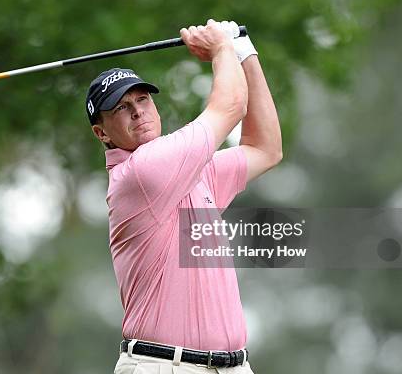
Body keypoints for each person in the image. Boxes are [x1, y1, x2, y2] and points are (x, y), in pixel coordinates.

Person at [85, 19, 282, 373]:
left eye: (142, 99)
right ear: (102, 134)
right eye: (120, 108)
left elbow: (265, 148)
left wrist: (245, 53)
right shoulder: (142, 172)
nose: (137, 111)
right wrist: (221, 48)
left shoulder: (192, 172)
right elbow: (229, 108)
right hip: (164, 366)